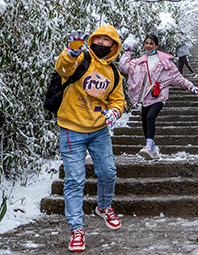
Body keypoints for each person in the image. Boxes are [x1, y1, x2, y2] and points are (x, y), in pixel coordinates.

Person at [54, 25, 127, 253]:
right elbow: (62, 68)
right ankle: (77, 229)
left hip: (98, 130)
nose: (102, 44)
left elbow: (118, 100)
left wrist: (115, 112)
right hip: (70, 129)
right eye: (99, 39)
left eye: (108, 41)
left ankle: (104, 207)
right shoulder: (80, 59)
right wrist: (72, 51)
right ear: (93, 39)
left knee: (108, 172)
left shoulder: (114, 74)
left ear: (114, 46)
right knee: (74, 180)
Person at [120, 34, 198, 160]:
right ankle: (152, 148)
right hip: (146, 96)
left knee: (150, 117)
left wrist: (191, 86)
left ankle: (148, 146)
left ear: (156, 45)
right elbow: (123, 67)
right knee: (145, 121)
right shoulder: (139, 62)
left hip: (159, 96)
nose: (148, 45)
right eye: (146, 43)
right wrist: (128, 51)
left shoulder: (165, 63)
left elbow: (177, 77)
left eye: (151, 43)